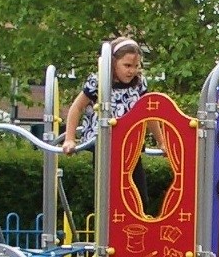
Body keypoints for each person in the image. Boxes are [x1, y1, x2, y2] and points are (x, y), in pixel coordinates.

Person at [63, 36, 152, 211]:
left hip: (131, 144)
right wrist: (70, 138)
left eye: (136, 66)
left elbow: (149, 113)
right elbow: (76, 108)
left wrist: (163, 142)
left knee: (140, 197)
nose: (131, 71)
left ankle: (136, 225)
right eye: (127, 66)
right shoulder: (99, 81)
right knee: (109, 195)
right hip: (104, 143)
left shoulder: (139, 84)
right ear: (112, 64)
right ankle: (108, 230)